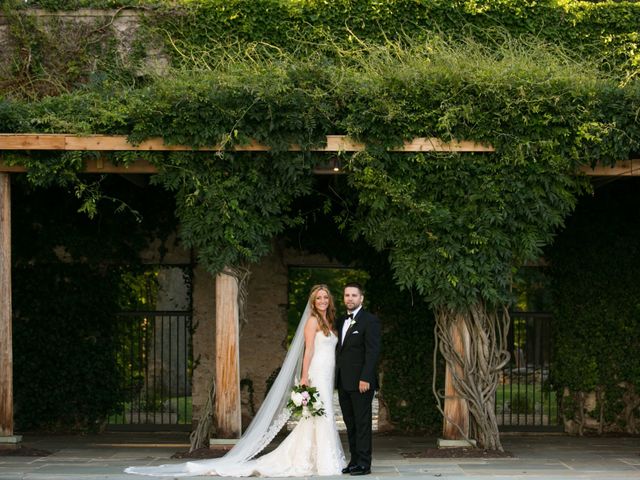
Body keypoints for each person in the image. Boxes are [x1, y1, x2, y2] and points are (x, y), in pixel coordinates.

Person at [125, 284, 346, 477]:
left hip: (327, 374)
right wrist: (305, 377)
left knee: (320, 415)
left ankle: (318, 457)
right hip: (316, 373)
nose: (323, 301)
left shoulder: (330, 320)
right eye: (318, 297)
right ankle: (316, 459)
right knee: (319, 413)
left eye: (325, 297)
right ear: (313, 301)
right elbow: (308, 352)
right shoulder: (312, 321)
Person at [335, 282, 381, 476]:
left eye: (354, 295)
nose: (350, 299)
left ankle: (364, 463)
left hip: (362, 383)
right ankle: (354, 461)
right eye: (347, 295)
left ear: (361, 298)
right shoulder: (340, 321)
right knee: (350, 423)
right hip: (344, 382)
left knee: (362, 424)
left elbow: (373, 352)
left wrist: (365, 378)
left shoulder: (370, 321)